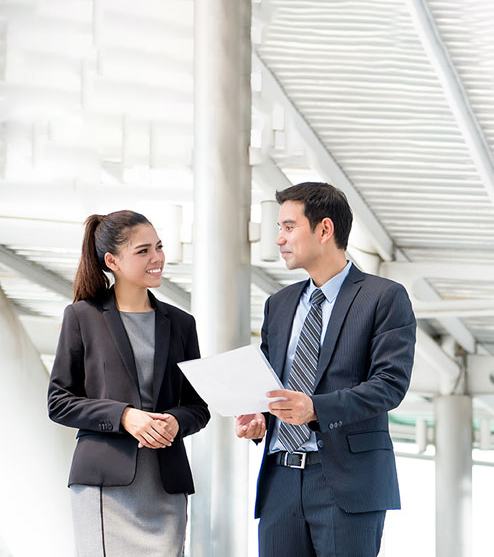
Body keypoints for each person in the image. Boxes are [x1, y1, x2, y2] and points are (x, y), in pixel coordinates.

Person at [235, 182, 416, 557]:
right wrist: (260, 417)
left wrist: (316, 408)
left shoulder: (383, 297)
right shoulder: (279, 304)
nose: (279, 239)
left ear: (324, 229)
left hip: (347, 482)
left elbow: (390, 385)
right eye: (280, 228)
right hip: (280, 480)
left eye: (288, 227)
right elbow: (271, 384)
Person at [48, 210, 210, 557]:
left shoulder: (181, 323)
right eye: (143, 251)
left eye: (159, 247)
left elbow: (198, 407)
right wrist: (123, 416)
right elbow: (59, 402)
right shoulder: (82, 317)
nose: (157, 258)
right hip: (104, 487)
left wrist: (176, 421)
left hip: (165, 486)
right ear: (113, 261)